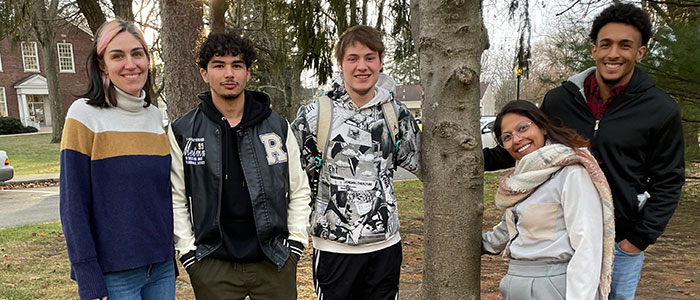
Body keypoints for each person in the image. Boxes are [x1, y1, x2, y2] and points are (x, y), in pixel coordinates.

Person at [484, 3, 686, 299]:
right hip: (563, 248)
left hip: (620, 243)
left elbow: (669, 181)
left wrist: (636, 240)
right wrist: (468, 159)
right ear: (594, 50)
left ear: (640, 52)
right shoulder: (560, 100)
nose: (613, 53)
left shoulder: (660, 110)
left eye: (625, 45)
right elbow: (534, 150)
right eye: (606, 44)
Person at [168, 31, 311, 300]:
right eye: (219, 65)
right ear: (204, 74)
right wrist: (188, 253)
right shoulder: (183, 131)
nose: (229, 74)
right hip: (213, 265)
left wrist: (295, 245)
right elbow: (176, 197)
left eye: (237, 65)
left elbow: (299, 189)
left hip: (274, 262)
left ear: (248, 73)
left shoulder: (277, 126)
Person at [291, 25, 421, 300]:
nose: (362, 66)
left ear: (381, 61)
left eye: (369, 57)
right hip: (334, 249)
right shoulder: (314, 116)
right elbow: (292, 180)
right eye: (353, 58)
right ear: (340, 64)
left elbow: (427, 165)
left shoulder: (396, 114)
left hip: (386, 245)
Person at [60, 20, 175, 300]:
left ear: (148, 60)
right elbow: (73, 204)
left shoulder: (153, 115)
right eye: (117, 56)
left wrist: (169, 256)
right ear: (102, 65)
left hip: (161, 267)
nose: (130, 64)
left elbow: (159, 196)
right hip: (113, 273)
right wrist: (88, 277)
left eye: (137, 54)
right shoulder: (83, 115)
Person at [482, 100, 615, 300]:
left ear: (542, 127)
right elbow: (511, 227)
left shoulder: (571, 173)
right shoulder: (522, 179)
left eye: (523, 128)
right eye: (507, 137)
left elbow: (587, 245)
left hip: (554, 286)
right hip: (515, 281)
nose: (517, 139)